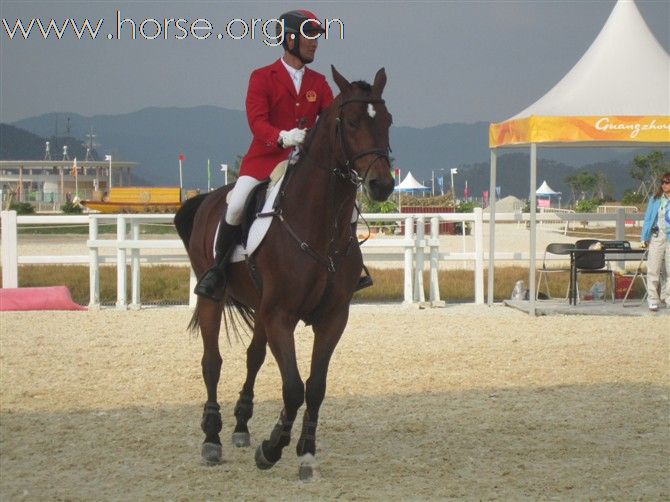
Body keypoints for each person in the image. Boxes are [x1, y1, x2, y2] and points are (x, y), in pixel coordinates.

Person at [195, 9, 372, 301]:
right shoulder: (263, 77)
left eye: (316, 37)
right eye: (309, 36)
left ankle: (348, 267)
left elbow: (331, 121)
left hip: (304, 164)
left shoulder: (318, 83)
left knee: (349, 207)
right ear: (289, 38)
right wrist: (282, 136)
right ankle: (217, 270)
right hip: (264, 161)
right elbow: (257, 121)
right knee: (237, 203)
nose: (315, 43)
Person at [641, 171, 670, 311]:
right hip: (657, 236)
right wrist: (644, 237)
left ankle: (668, 297)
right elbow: (647, 219)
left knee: (669, 270)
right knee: (653, 268)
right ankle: (653, 299)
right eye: (662, 182)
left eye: (667, 182)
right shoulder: (655, 198)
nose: (664, 185)